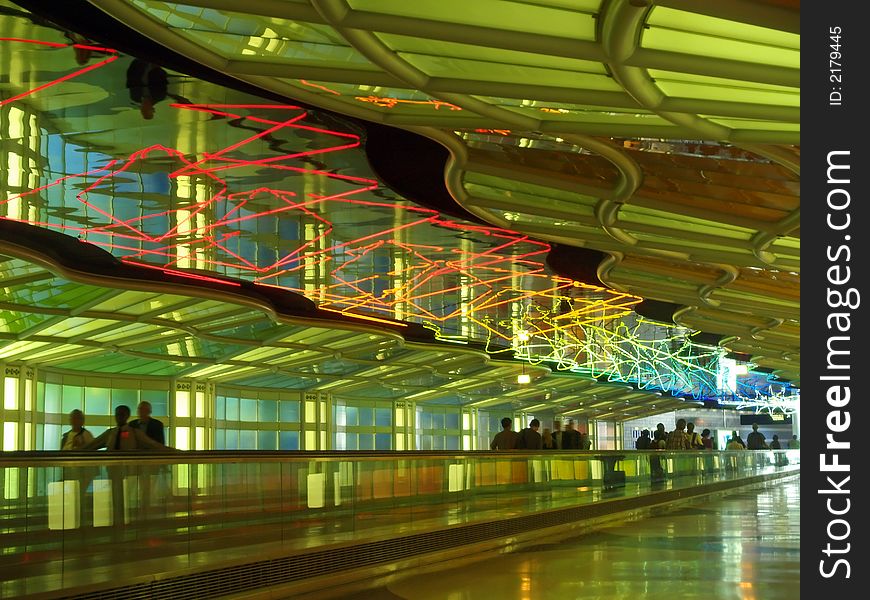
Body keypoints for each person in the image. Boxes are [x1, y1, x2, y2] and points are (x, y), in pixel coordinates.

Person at [83, 405, 170, 451]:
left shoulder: (134, 432)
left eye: (122, 414)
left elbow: (154, 445)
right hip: (112, 469)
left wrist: (175, 451)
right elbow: (93, 444)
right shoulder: (111, 433)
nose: (119, 417)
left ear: (127, 416)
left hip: (129, 471)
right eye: (117, 414)